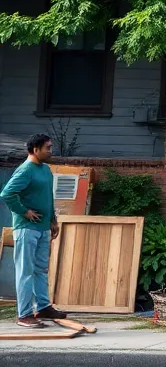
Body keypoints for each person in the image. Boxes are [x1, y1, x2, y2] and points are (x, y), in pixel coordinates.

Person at [0, 134, 65, 328]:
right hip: (26, 228)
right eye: (48, 148)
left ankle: (43, 307)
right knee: (25, 271)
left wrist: (52, 220)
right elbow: (7, 194)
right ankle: (24, 314)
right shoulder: (25, 170)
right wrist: (24, 212)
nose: (51, 151)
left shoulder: (45, 170)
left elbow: (48, 197)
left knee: (40, 269)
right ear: (35, 149)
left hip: (43, 227)